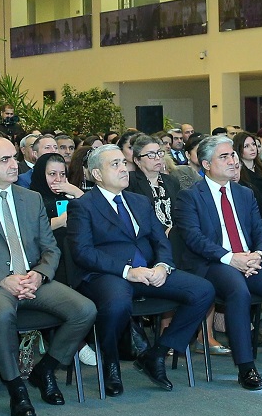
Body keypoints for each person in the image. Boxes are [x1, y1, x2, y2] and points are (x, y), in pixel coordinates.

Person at [0, 137, 98, 416]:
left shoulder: (30, 198)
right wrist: (3, 279)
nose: (13, 164)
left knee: (85, 309)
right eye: (4, 160)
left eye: (14, 158)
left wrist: (39, 275)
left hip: (31, 278)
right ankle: (16, 386)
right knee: (3, 315)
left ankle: (46, 369)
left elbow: (50, 248)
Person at [171, 135, 262, 388]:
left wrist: (259, 254)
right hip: (213, 263)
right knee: (238, 291)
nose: (233, 161)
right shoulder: (190, 196)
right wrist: (231, 258)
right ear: (206, 164)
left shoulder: (244, 193)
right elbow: (194, 238)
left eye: (233, 155)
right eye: (224, 157)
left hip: (249, 259)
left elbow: (260, 229)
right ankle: (246, 366)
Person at [67, 144, 216, 393]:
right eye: (114, 164)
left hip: (147, 272)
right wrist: (127, 271)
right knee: (117, 305)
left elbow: (161, 240)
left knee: (203, 290)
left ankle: (156, 354)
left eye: (123, 163)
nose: (123, 169)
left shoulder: (139, 201)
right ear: (97, 174)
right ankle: (111, 363)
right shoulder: (84, 205)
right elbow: (82, 252)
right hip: (109, 274)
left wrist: (162, 266)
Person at [124, 133, 178, 233]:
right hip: (149, 235)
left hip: (174, 234)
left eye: (159, 153)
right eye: (151, 155)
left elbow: (179, 211)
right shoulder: (130, 181)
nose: (157, 158)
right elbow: (137, 217)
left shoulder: (171, 181)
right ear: (137, 160)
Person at [233, 129, 262, 225]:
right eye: (246, 146)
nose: (252, 149)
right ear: (238, 149)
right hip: (257, 216)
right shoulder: (238, 172)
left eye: (253, 144)